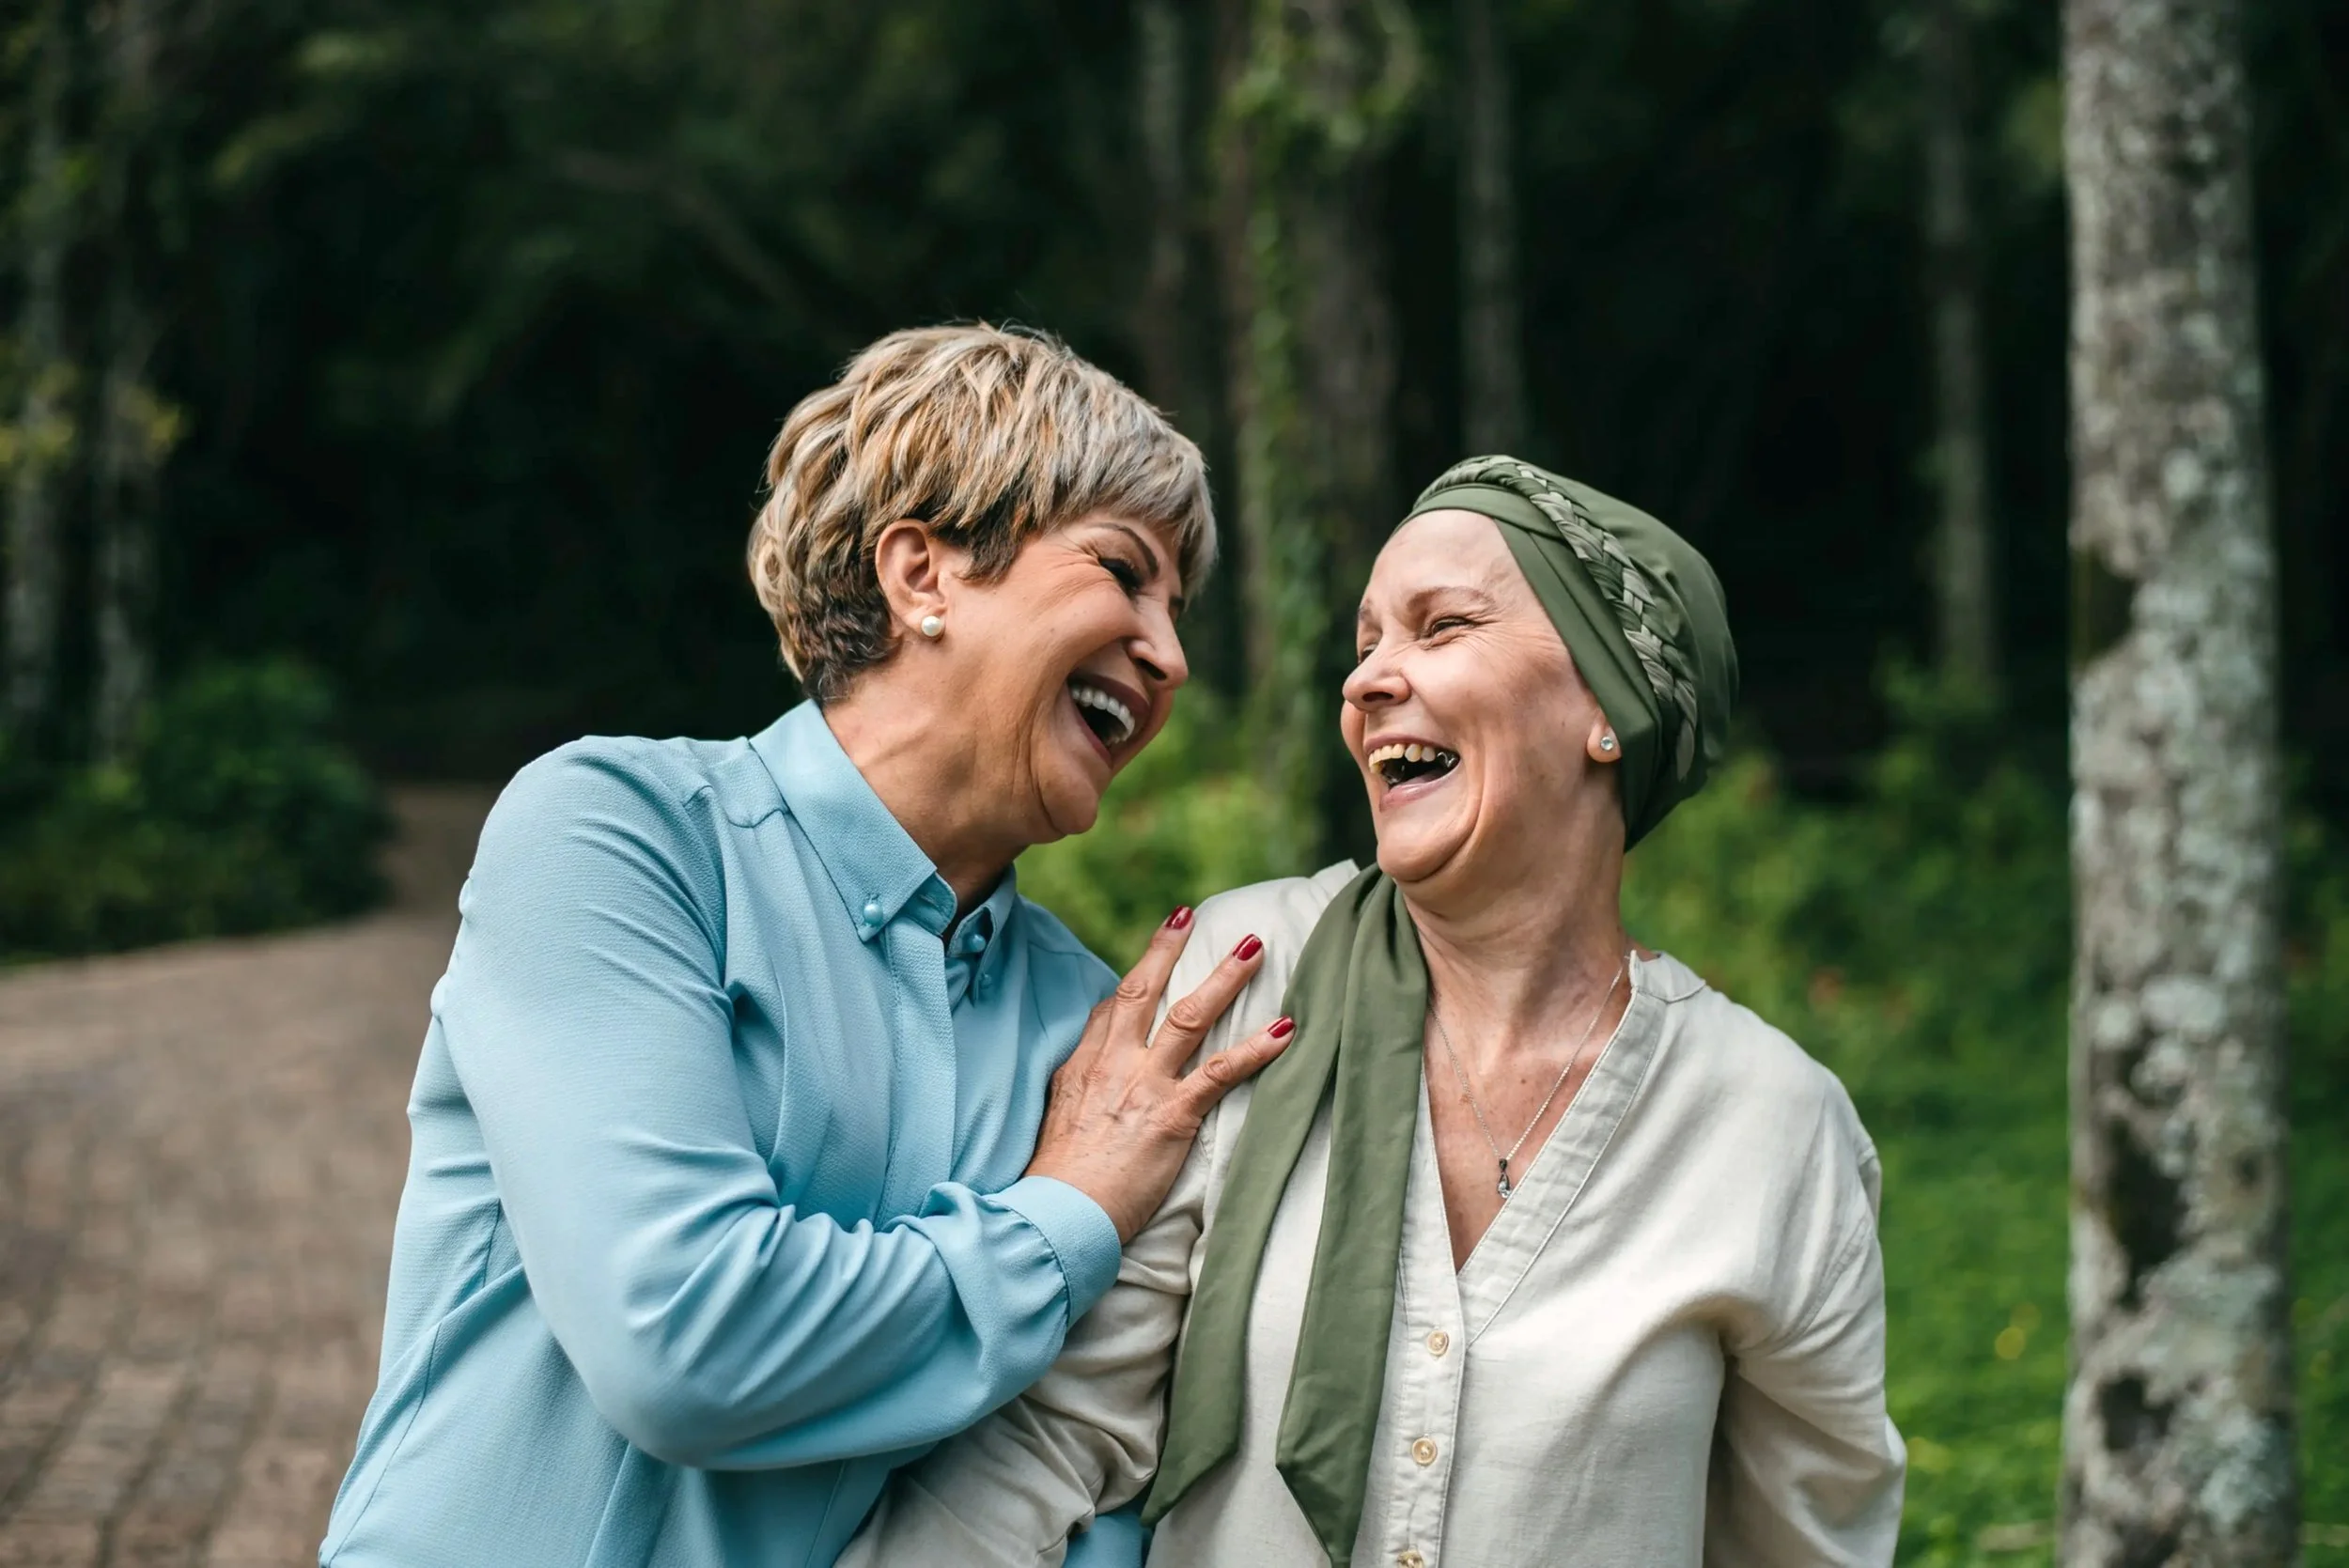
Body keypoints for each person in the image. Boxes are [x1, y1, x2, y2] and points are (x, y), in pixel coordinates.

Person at [317, 325, 1295, 1568]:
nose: (1172, 655)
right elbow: (682, 1338)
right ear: (922, 575)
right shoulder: (618, 836)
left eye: (1176, 608)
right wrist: (1067, 1215)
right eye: (1122, 570)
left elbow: (1079, 1467)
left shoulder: (1093, 1034)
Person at [845, 455, 1907, 1566]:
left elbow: (1807, 1547)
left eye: (1441, 627)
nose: (1364, 685)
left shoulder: (1771, 1123)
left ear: (1609, 708)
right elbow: (1059, 1434)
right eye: (1365, 646)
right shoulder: (1239, 979)